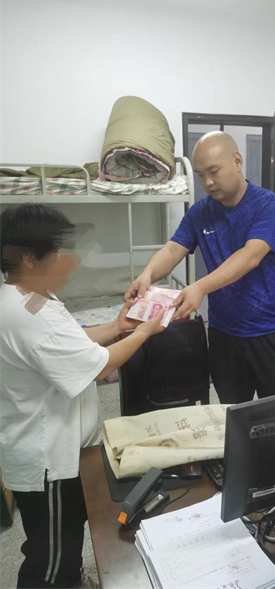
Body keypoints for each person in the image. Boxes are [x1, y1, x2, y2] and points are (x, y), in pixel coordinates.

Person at [0, 204, 165, 588]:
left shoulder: (28, 296)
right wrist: (143, 332)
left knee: (63, 541)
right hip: (48, 461)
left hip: (59, 450)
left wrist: (118, 326)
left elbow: (72, 342)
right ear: (29, 258)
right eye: (57, 251)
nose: (67, 259)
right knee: (50, 559)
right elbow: (99, 365)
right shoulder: (28, 313)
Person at [125, 131, 275, 403]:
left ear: (237, 161)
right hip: (224, 334)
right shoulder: (199, 212)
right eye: (200, 175)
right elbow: (172, 250)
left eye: (214, 171)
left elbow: (250, 256)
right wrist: (147, 275)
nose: (207, 182)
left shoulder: (269, 204)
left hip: (271, 330)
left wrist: (200, 287)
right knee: (231, 411)